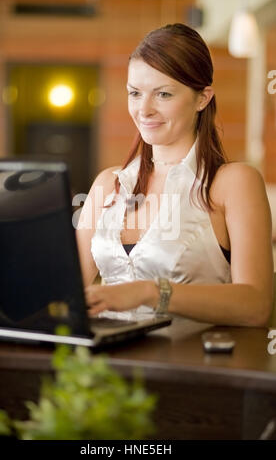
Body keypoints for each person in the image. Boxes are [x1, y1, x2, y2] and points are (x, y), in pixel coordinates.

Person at [76, 23, 273, 327]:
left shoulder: (233, 183)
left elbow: (256, 306)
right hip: (105, 365)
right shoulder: (108, 184)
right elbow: (67, 289)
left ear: (202, 98)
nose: (144, 109)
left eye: (163, 94)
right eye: (135, 93)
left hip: (191, 368)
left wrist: (152, 292)